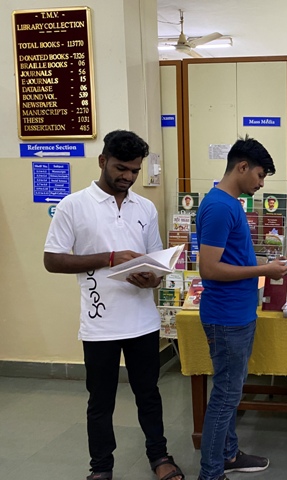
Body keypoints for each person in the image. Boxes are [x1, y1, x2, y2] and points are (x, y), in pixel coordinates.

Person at [43, 130, 184, 480]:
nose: (128, 177)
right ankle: (101, 468)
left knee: (148, 394)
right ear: (102, 161)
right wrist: (109, 258)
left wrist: (153, 278)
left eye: (135, 170)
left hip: (143, 321)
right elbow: (52, 260)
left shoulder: (145, 207)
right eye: (121, 168)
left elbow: (155, 261)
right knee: (100, 401)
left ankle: (159, 456)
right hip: (100, 324)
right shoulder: (73, 205)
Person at [196, 136, 287, 480]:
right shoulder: (220, 207)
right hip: (226, 317)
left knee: (231, 392)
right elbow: (209, 269)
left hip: (239, 312)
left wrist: (263, 266)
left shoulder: (231, 204)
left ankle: (229, 454)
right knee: (225, 396)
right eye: (260, 176)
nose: (261, 184)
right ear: (242, 167)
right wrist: (263, 270)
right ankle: (211, 472)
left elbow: (231, 259)